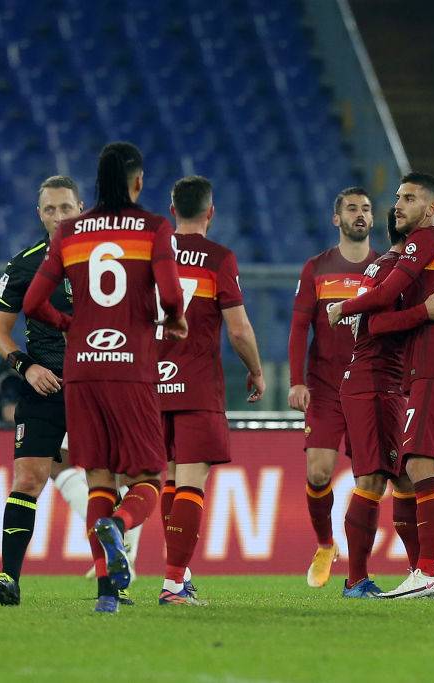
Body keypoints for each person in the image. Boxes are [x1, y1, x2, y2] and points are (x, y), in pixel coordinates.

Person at [23, 142, 186, 613]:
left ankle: (106, 594)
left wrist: (69, 325)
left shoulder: (69, 232)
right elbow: (170, 295)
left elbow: (32, 303)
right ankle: (118, 525)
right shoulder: (154, 227)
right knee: (148, 478)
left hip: (82, 369)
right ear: (138, 181)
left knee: (98, 480)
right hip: (131, 366)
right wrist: (174, 319)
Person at [328, 172, 434, 600]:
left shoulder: (419, 248)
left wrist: (344, 307)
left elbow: (379, 308)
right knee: (394, 477)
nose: (397, 205)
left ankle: (430, 574)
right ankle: (380, 577)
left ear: (430, 208)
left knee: (422, 474)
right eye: (398, 199)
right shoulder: (424, 253)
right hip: (382, 379)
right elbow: (375, 324)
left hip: (420, 373)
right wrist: (422, 313)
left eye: (408, 198)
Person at [0, 176, 94, 606]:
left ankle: (114, 581)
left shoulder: (107, 259)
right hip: (45, 386)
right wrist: (25, 367)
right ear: (39, 214)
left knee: (106, 481)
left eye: (66, 207)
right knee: (28, 478)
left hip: (98, 385)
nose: (59, 216)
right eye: (50, 209)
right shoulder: (23, 266)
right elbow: (0, 334)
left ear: (81, 209)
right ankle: (9, 579)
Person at [156, 176, 266, 606]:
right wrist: (256, 370)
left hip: (151, 382)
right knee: (190, 483)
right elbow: (238, 329)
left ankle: (179, 576)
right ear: (211, 212)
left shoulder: (151, 253)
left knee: (169, 479)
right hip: (196, 383)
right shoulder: (218, 258)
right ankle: (172, 584)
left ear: (172, 210)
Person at [288, 187, 379, 587]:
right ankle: (325, 544)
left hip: (371, 385)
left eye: (366, 209)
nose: (360, 214)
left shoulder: (385, 268)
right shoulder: (317, 268)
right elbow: (299, 327)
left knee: (369, 481)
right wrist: (296, 381)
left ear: (372, 219)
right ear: (336, 219)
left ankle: (359, 574)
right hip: (325, 387)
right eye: (352, 208)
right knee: (319, 472)